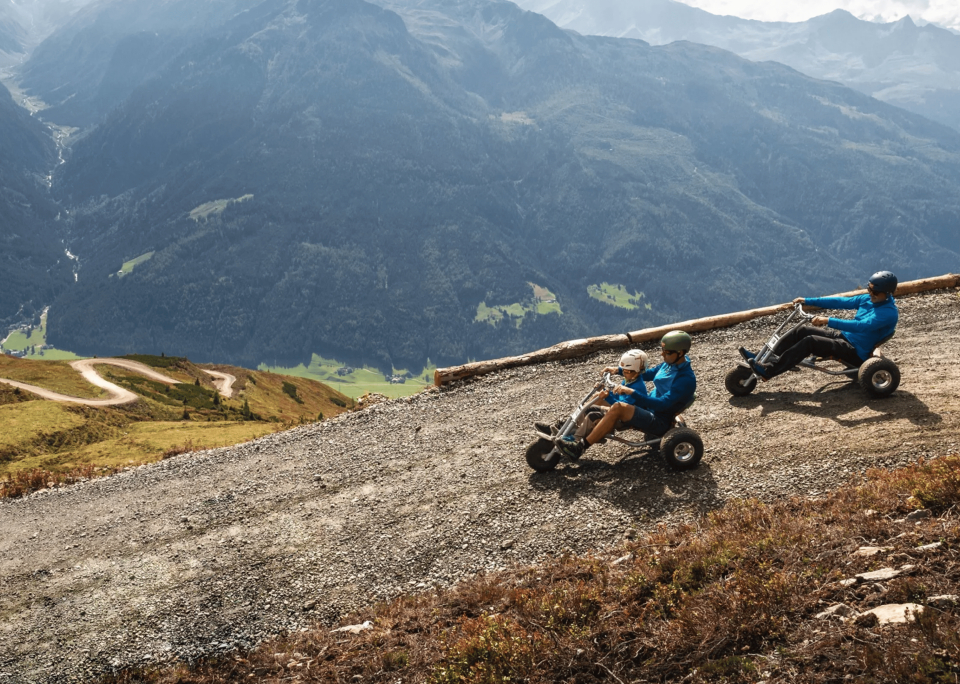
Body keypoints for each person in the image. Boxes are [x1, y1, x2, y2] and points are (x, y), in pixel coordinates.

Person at [557, 330, 696, 460]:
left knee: (619, 407)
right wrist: (619, 370)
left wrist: (632, 392)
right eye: (662, 350)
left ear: (680, 353)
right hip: (648, 410)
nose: (662, 354)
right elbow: (646, 373)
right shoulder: (669, 364)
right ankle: (567, 431)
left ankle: (579, 448)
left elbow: (662, 404)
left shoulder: (685, 379)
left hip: (659, 419)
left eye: (667, 352)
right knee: (597, 398)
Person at [744, 270, 899, 381]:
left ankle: (768, 371)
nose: (871, 293)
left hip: (855, 352)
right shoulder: (867, 299)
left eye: (875, 291)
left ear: (887, 294)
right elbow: (840, 302)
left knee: (810, 341)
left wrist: (827, 320)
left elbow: (861, 326)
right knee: (801, 331)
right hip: (844, 338)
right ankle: (763, 357)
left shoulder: (888, 313)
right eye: (869, 288)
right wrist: (808, 301)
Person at [534, 349, 649, 436]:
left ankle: (573, 431)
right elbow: (619, 397)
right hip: (621, 407)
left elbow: (620, 406)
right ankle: (566, 426)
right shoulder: (630, 379)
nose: (624, 373)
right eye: (623, 370)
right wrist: (605, 389)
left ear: (638, 371)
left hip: (625, 416)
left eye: (627, 371)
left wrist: (608, 396)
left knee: (597, 401)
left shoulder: (637, 387)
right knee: (596, 397)